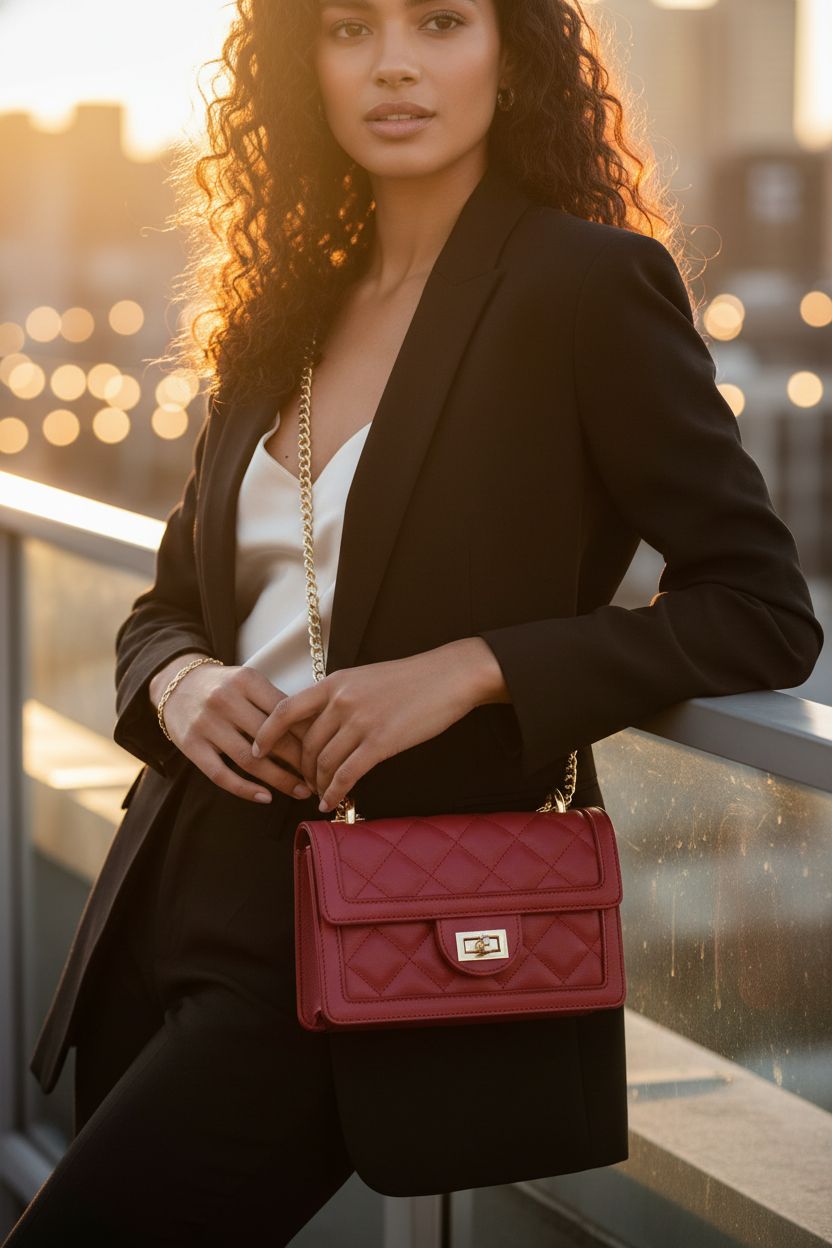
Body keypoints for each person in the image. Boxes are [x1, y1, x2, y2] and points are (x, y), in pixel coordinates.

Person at [5, 0, 823, 1243]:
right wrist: (180, 684)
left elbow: (761, 611)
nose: (392, 62)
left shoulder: (582, 288)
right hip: (167, 888)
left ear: (514, 54)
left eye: (440, 21)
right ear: (303, 68)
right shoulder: (282, 305)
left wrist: (472, 669)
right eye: (347, 29)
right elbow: (167, 608)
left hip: (362, 924)